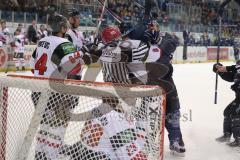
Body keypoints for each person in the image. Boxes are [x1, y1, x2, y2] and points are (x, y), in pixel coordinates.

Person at [30, 14, 89, 160]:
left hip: (38, 91)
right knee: (58, 128)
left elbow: (32, 66)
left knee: (44, 127)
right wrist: (85, 55)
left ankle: (40, 155)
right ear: (63, 28)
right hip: (56, 93)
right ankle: (52, 156)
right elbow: (74, 68)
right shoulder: (64, 43)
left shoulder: (42, 41)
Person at [143, 21, 186, 156]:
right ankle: (148, 141)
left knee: (173, 111)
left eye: (154, 27)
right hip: (148, 84)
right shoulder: (143, 41)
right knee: (151, 115)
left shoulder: (164, 37)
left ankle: (176, 140)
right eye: (149, 27)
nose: (152, 29)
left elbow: (175, 42)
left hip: (166, 81)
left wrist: (159, 39)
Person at [213, 62, 240, 147]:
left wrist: (226, 68)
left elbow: (233, 68)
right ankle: (227, 135)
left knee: (235, 112)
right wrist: (220, 71)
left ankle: (238, 139)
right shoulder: (237, 67)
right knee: (227, 111)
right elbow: (231, 77)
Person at [65, 8, 85, 80]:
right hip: (71, 72)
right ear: (71, 19)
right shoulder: (67, 34)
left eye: (79, 18)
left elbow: (82, 49)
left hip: (78, 71)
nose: (79, 20)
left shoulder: (79, 33)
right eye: (77, 18)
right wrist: (82, 52)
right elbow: (68, 56)